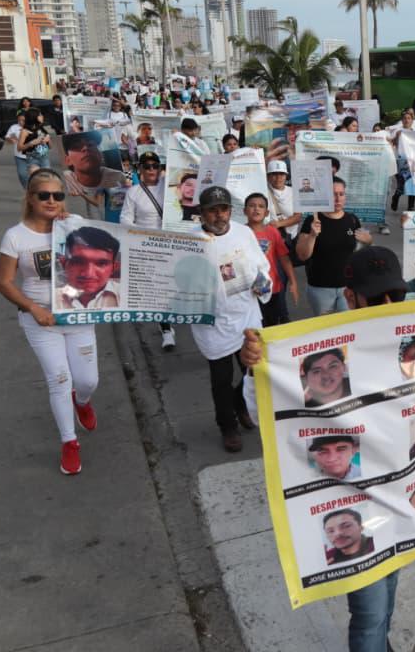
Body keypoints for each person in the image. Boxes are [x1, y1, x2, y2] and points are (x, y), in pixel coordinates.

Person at [239, 246, 415, 652]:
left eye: (394, 294)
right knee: (368, 613)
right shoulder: (317, 350)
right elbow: (263, 414)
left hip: (404, 502)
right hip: (355, 507)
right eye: (375, 298)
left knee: (388, 592)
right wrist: (254, 366)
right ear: (350, 296)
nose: (388, 306)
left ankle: (381, 645)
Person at [0, 169, 99, 476]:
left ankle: (82, 401)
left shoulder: (73, 225)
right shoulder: (15, 236)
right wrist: (32, 308)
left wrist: (71, 227)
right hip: (39, 320)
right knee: (59, 379)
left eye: (58, 195)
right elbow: (4, 283)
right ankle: (69, 441)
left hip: (77, 315)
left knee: (87, 381)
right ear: (30, 198)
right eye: (44, 195)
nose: (52, 201)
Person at [193, 186, 272, 453]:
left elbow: (261, 265)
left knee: (254, 371)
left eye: (224, 209)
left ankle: (241, 404)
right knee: (221, 379)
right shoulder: (189, 241)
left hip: (247, 314)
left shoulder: (243, 232)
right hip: (213, 324)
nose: (219, 215)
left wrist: (263, 283)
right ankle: (227, 425)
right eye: (212, 210)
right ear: (202, 214)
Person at [119, 151, 175, 350]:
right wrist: (140, 235)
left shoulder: (170, 186)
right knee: (158, 291)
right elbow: (125, 219)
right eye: (147, 166)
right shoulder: (133, 192)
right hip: (148, 247)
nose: (152, 170)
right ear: (140, 169)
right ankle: (166, 330)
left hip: (174, 244)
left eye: (155, 165)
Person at [295, 177, 372, 315]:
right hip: (320, 287)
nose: (337, 198)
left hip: (348, 286)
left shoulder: (352, 220)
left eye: (341, 194)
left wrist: (369, 241)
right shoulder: (313, 220)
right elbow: (302, 255)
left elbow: (362, 250)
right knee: (325, 329)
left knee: (347, 327)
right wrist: (312, 235)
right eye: (332, 194)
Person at [245, 192, 299, 327]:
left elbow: (284, 258)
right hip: (248, 290)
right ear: (245, 211)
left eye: (261, 206)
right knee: (253, 328)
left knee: (271, 325)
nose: (256, 209)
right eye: (252, 206)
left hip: (271, 287)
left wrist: (293, 282)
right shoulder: (240, 232)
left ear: (266, 212)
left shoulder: (272, 232)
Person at [62, 133, 126, 220]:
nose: (85, 148)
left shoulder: (117, 176)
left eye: (90, 145)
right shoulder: (64, 183)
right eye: (77, 146)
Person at [55, 226, 121, 309]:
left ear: (114, 268)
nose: (89, 274)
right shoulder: (51, 298)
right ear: (64, 263)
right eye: (78, 262)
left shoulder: (126, 294)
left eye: (101, 263)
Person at [266, 160, 302, 240]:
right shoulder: (262, 192)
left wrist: (279, 224)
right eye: (274, 174)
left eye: (282, 174)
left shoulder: (294, 192)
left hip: (290, 239)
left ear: (286, 176)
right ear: (268, 176)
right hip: (269, 239)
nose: (278, 178)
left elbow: (298, 216)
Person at [4, 112, 32, 187]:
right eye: (19, 120)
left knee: (35, 175)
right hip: (19, 156)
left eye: (23, 120)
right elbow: (7, 137)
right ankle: (27, 189)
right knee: (22, 174)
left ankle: (34, 190)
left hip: (32, 155)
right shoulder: (14, 127)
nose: (21, 122)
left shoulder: (33, 127)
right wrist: (11, 139)